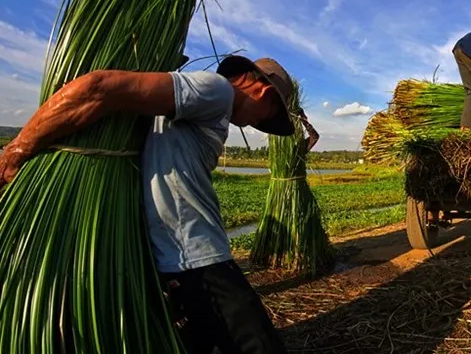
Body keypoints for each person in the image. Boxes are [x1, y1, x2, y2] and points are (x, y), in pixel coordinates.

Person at [0, 55, 311, 354]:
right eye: (269, 115)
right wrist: (16, 150)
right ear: (263, 90)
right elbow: (100, 88)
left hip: (181, 257)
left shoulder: (211, 106)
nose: (258, 124)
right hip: (199, 258)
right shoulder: (217, 91)